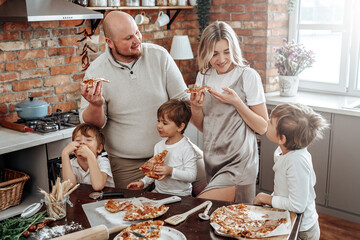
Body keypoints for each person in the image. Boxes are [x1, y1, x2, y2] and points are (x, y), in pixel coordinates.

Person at [79, 11, 206, 191]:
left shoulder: (159, 56)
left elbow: (183, 102)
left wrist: (205, 123)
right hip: (129, 164)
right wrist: (95, 105)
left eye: (137, 32)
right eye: (128, 37)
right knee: (136, 210)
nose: (137, 40)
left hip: (175, 152)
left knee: (209, 189)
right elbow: (92, 125)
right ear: (110, 42)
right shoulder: (95, 72)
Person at [190, 21, 268, 203]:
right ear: (205, 53)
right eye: (214, 53)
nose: (221, 59)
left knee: (199, 209)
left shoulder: (248, 76)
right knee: (222, 224)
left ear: (234, 49)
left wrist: (237, 103)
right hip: (212, 161)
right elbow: (204, 127)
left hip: (239, 163)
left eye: (227, 52)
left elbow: (263, 127)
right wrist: (195, 108)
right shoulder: (204, 75)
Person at [254, 103, 328, 240]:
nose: (266, 122)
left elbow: (297, 205)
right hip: (290, 221)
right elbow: (286, 190)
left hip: (302, 231)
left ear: (282, 138)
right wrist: (271, 199)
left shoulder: (296, 162)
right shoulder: (286, 152)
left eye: (270, 122)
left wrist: (266, 198)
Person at [127, 99, 202, 196]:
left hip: (181, 195)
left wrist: (170, 171)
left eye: (165, 123)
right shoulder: (159, 146)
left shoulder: (186, 148)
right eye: (158, 121)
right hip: (159, 192)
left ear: (180, 127)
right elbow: (155, 171)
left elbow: (191, 176)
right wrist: (142, 182)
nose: (159, 126)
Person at [62, 123, 115, 190]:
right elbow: (70, 186)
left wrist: (90, 156)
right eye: (78, 140)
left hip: (106, 199)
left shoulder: (103, 162)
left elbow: (98, 186)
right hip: (82, 199)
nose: (82, 143)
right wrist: (65, 154)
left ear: (99, 148)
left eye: (88, 140)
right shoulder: (71, 164)